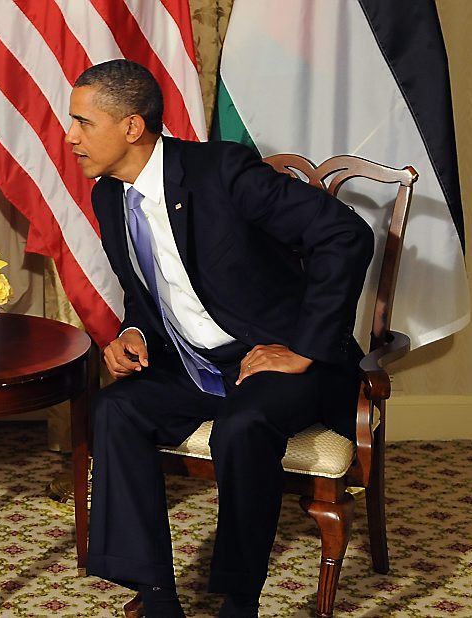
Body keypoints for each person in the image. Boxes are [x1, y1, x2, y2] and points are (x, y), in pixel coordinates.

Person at [65, 60, 373, 617]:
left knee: (243, 424)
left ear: (132, 127)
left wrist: (303, 348)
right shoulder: (110, 196)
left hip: (281, 360)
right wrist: (132, 331)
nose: (71, 137)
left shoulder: (221, 171)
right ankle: (157, 594)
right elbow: (148, 291)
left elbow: (345, 234)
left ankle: (239, 598)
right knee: (115, 409)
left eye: (84, 123)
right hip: (196, 364)